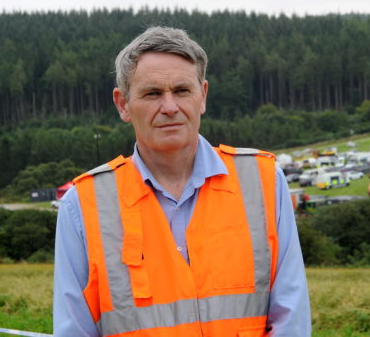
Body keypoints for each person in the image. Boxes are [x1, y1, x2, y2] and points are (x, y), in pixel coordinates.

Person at [53, 26, 311, 336]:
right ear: (123, 104)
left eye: (181, 90)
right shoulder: (83, 205)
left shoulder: (264, 182)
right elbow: (74, 329)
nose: (170, 107)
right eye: (152, 94)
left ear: (202, 96)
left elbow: (291, 319)